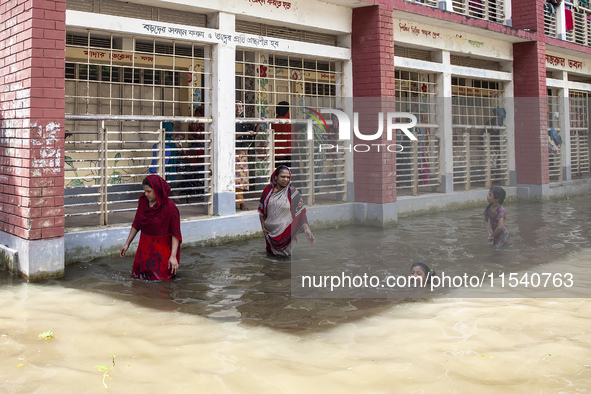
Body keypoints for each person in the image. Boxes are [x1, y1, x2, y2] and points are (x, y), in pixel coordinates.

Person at [120, 175, 182, 280]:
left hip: (162, 249)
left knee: (161, 281)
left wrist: (173, 256)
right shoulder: (143, 202)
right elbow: (137, 223)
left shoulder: (170, 208)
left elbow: (175, 233)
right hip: (144, 246)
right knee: (140, 278)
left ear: (157, 190)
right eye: (145, 191)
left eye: (149, 191)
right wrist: (127, 244)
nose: (146, 194)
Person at [258, 165, 315, 256]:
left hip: (285, 234)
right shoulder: (268, 190)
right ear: (276, 177)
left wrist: (307, 230)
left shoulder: (292, 193)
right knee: (271, 257)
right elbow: (261, 211)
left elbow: (301, 213)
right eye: (283, 177)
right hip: (269, 234)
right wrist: (263, 227)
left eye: (288, 177)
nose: (286, 179)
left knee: (285, 259)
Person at [235, 101, 261, 211]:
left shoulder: (244, 121)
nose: (239, 109)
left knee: (241, 178)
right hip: (232, 151)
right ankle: (239, 203)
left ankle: (240, 202)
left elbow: (255, 132)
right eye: (236, 107)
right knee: (235, 178)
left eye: (240, 106)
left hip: (242, 151)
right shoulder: (228, 119)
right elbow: (228, 133)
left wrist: (259, 123)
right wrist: (245, 133)